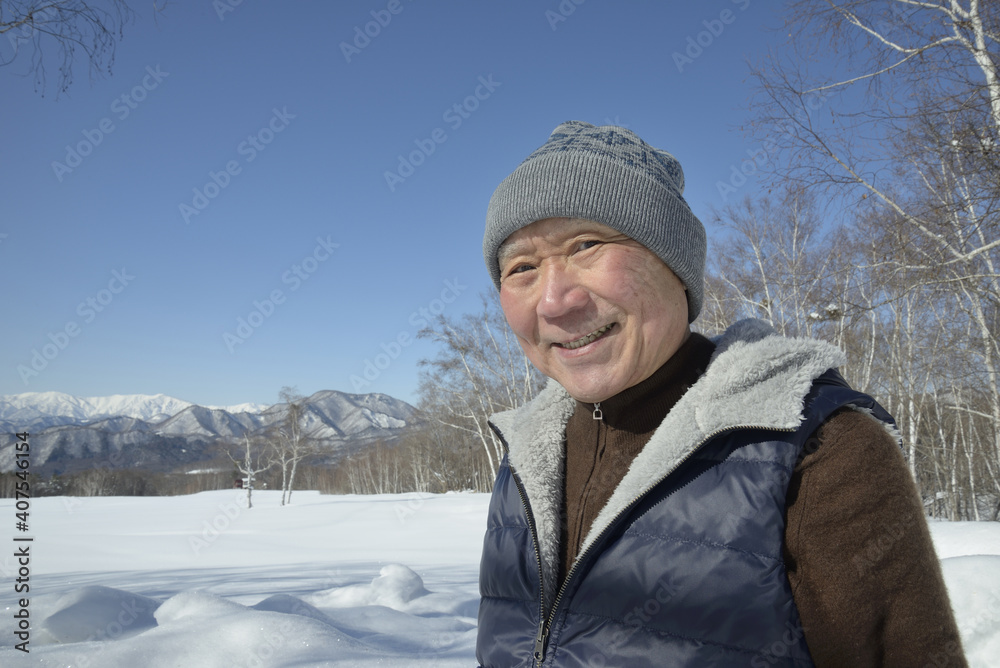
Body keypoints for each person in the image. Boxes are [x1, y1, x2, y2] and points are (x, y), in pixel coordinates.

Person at [475, 120, 967, 667]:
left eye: (586, 245)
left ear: (675, 266)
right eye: (521, 267)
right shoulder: (525, 462)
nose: (553, 302)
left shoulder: (814, 450)